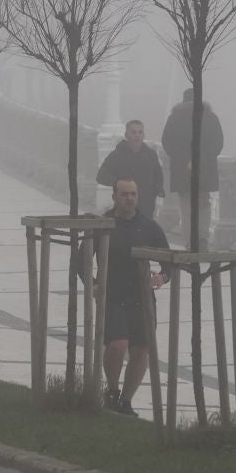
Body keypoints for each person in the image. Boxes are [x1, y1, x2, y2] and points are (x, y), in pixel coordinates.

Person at [78, 176, 168, 415]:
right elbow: (81, 260)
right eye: (125, 194)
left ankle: (126, 401)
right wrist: (93, 284)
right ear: (115, 197)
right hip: (112, 295)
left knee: (141, 350)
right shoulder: (103, 224)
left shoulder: (148, 226)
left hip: (142, 298)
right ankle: (112, 389)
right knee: (118, 345)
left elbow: (169, 259)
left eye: (133, 194)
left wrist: (162, 277)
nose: (129, 199)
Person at [160, 89, 224, 242]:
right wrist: (201, 160)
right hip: (205, 170)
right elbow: (218, 144)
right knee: (203, 204)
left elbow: (167, 142)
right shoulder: (210, 117)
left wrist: (184, 160)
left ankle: (189, 241)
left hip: (182, 171)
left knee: (186, 205)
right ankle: (203, 238)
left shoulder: (174, 118)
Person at [96, 120, 165, 222]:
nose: (137, 135)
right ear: (126, 135)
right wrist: (119, 183)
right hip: (124, 206)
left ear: (143, 135)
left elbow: (158, 175)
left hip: (146, 205)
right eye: (133, 132)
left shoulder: (151, 155)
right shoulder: (117, 155)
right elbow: (101, 176)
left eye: (140, 132)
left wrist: (159, 191)